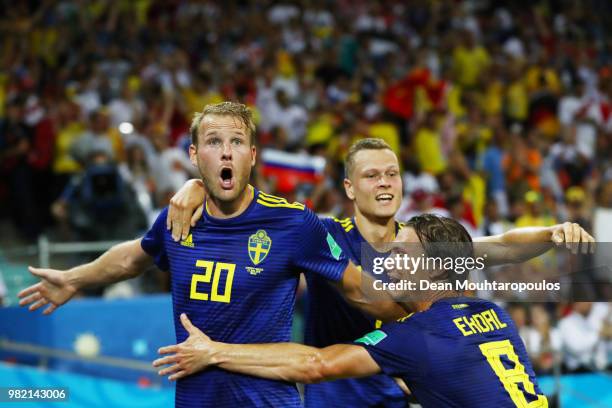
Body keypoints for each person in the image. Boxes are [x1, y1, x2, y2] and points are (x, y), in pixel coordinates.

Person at [17, 102, 406, 408]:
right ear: (193, 154)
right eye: (213, 142)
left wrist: (423, 323)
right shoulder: (178, 215)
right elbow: (134, 257)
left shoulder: (293, 223)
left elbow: (358, 288)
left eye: (237, 143)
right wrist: (73, 278)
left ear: (252, 156)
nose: (226, 153)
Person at [167, 138, 593, 407]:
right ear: (350, 188)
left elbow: (500, 246)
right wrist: (200, 186)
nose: (385, 182)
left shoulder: (420, 246)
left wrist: (553, 234)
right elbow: (254, 209)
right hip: (336, 394)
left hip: (395, 393)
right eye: (372, 175)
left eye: (392, 173)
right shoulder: (323, 235)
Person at [155, 215, 549, 408]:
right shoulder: (494, 315)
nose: (388, 261)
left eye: (401, 253)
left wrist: (215, 351)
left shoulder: (418, 335)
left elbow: (316, 364)